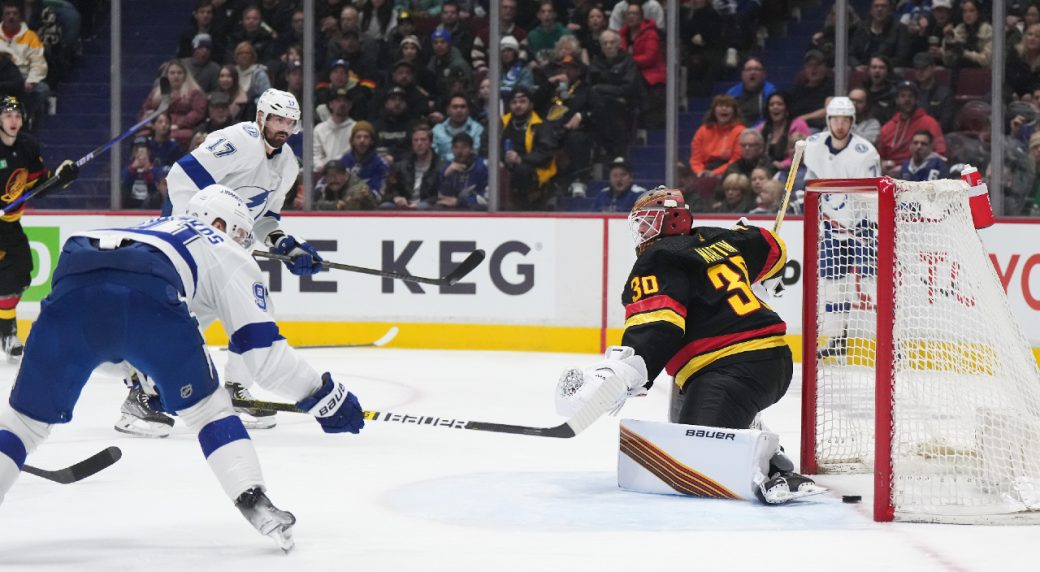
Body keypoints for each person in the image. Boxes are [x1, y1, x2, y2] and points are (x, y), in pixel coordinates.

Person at [0, 185, 365, 550]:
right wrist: (323, 395)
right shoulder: (225, 250)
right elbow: (263, 357)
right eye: (241, 233)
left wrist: (145, 376)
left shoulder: (154, 226)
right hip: (149, 286)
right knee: (209, 410)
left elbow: (105, 335)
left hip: (76, 268)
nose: (245, 243)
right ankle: (256, 503)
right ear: (218, 222)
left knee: (23, 423)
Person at [555, 187, 821, 504]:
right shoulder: (722, 239)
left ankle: (771, 467)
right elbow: (771, 245)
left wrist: (623, 371)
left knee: (697, 463)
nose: (641, 231)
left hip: (732, 368)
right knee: (689, 424)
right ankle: (750, 431)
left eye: (647, 222)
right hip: (773, 360)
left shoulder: (659, 257)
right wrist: (758, 254)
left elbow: (660, 326)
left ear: (671, 220)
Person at [128, 89, 322, 437]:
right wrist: (204, 231)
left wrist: (286, 245)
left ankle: (234, 389)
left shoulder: (288, 163)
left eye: (290, 122)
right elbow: (181, 177)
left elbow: (264, 220)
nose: (284, 128)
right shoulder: (240, 140)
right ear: (262, 117)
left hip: (228, 254)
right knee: (181, 320)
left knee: (250, 310)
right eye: (278, 119)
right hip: (189, 244)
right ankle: (142, 395)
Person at [803, 97, 881, 361]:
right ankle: (837, 339)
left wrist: (870, 225)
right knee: (834, 285)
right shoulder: (813, 146)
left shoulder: (865, 152)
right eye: (835, 119)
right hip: (830, 228)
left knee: (872, 284)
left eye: (844, 120)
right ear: (828, 121)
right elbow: (810, 185)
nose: (839, 125)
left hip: (862, 227)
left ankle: (890, 343)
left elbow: (874, 193)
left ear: (852, 122)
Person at [0, 95, 76, 360]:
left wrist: (61, 179)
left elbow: (38, 189)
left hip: (9, 225)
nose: (13, 120)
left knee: (20, 275)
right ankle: (7, 332)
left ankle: (7, 333)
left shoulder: (27, 147)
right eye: (8, 115)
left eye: (17, 116)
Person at [878, 81, 946, 176]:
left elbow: (940, 154)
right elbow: (880, 155)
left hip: (920, 174)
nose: (907, 99)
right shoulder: (887, 127)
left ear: (916, 100)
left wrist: (907, 168)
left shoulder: (930, 123)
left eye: (911, 96)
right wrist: (883, 164)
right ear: (896, 100)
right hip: (889, 175)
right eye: (903, 96)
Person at [435, 132, 488, 210]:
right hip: (453, 211)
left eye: (464, 147)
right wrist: (446, 176)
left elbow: (486, 199)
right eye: (456, 147)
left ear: (471, 149)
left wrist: (459, 201)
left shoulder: (482, 167)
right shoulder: (447, 167)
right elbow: (442, 197)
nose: (459, 151)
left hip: (476, 212)